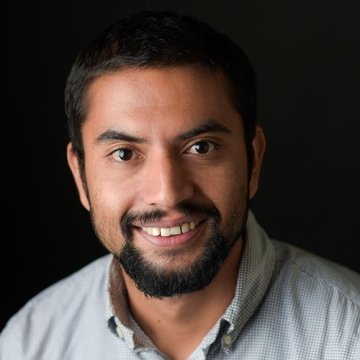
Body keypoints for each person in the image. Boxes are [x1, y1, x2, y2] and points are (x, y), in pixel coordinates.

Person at [1, 10, 359, 360]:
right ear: (80, 176)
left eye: (200, 147)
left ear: (254, 161)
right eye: (124, 154)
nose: (167, 193)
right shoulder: (29, 343)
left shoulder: (349, 333)